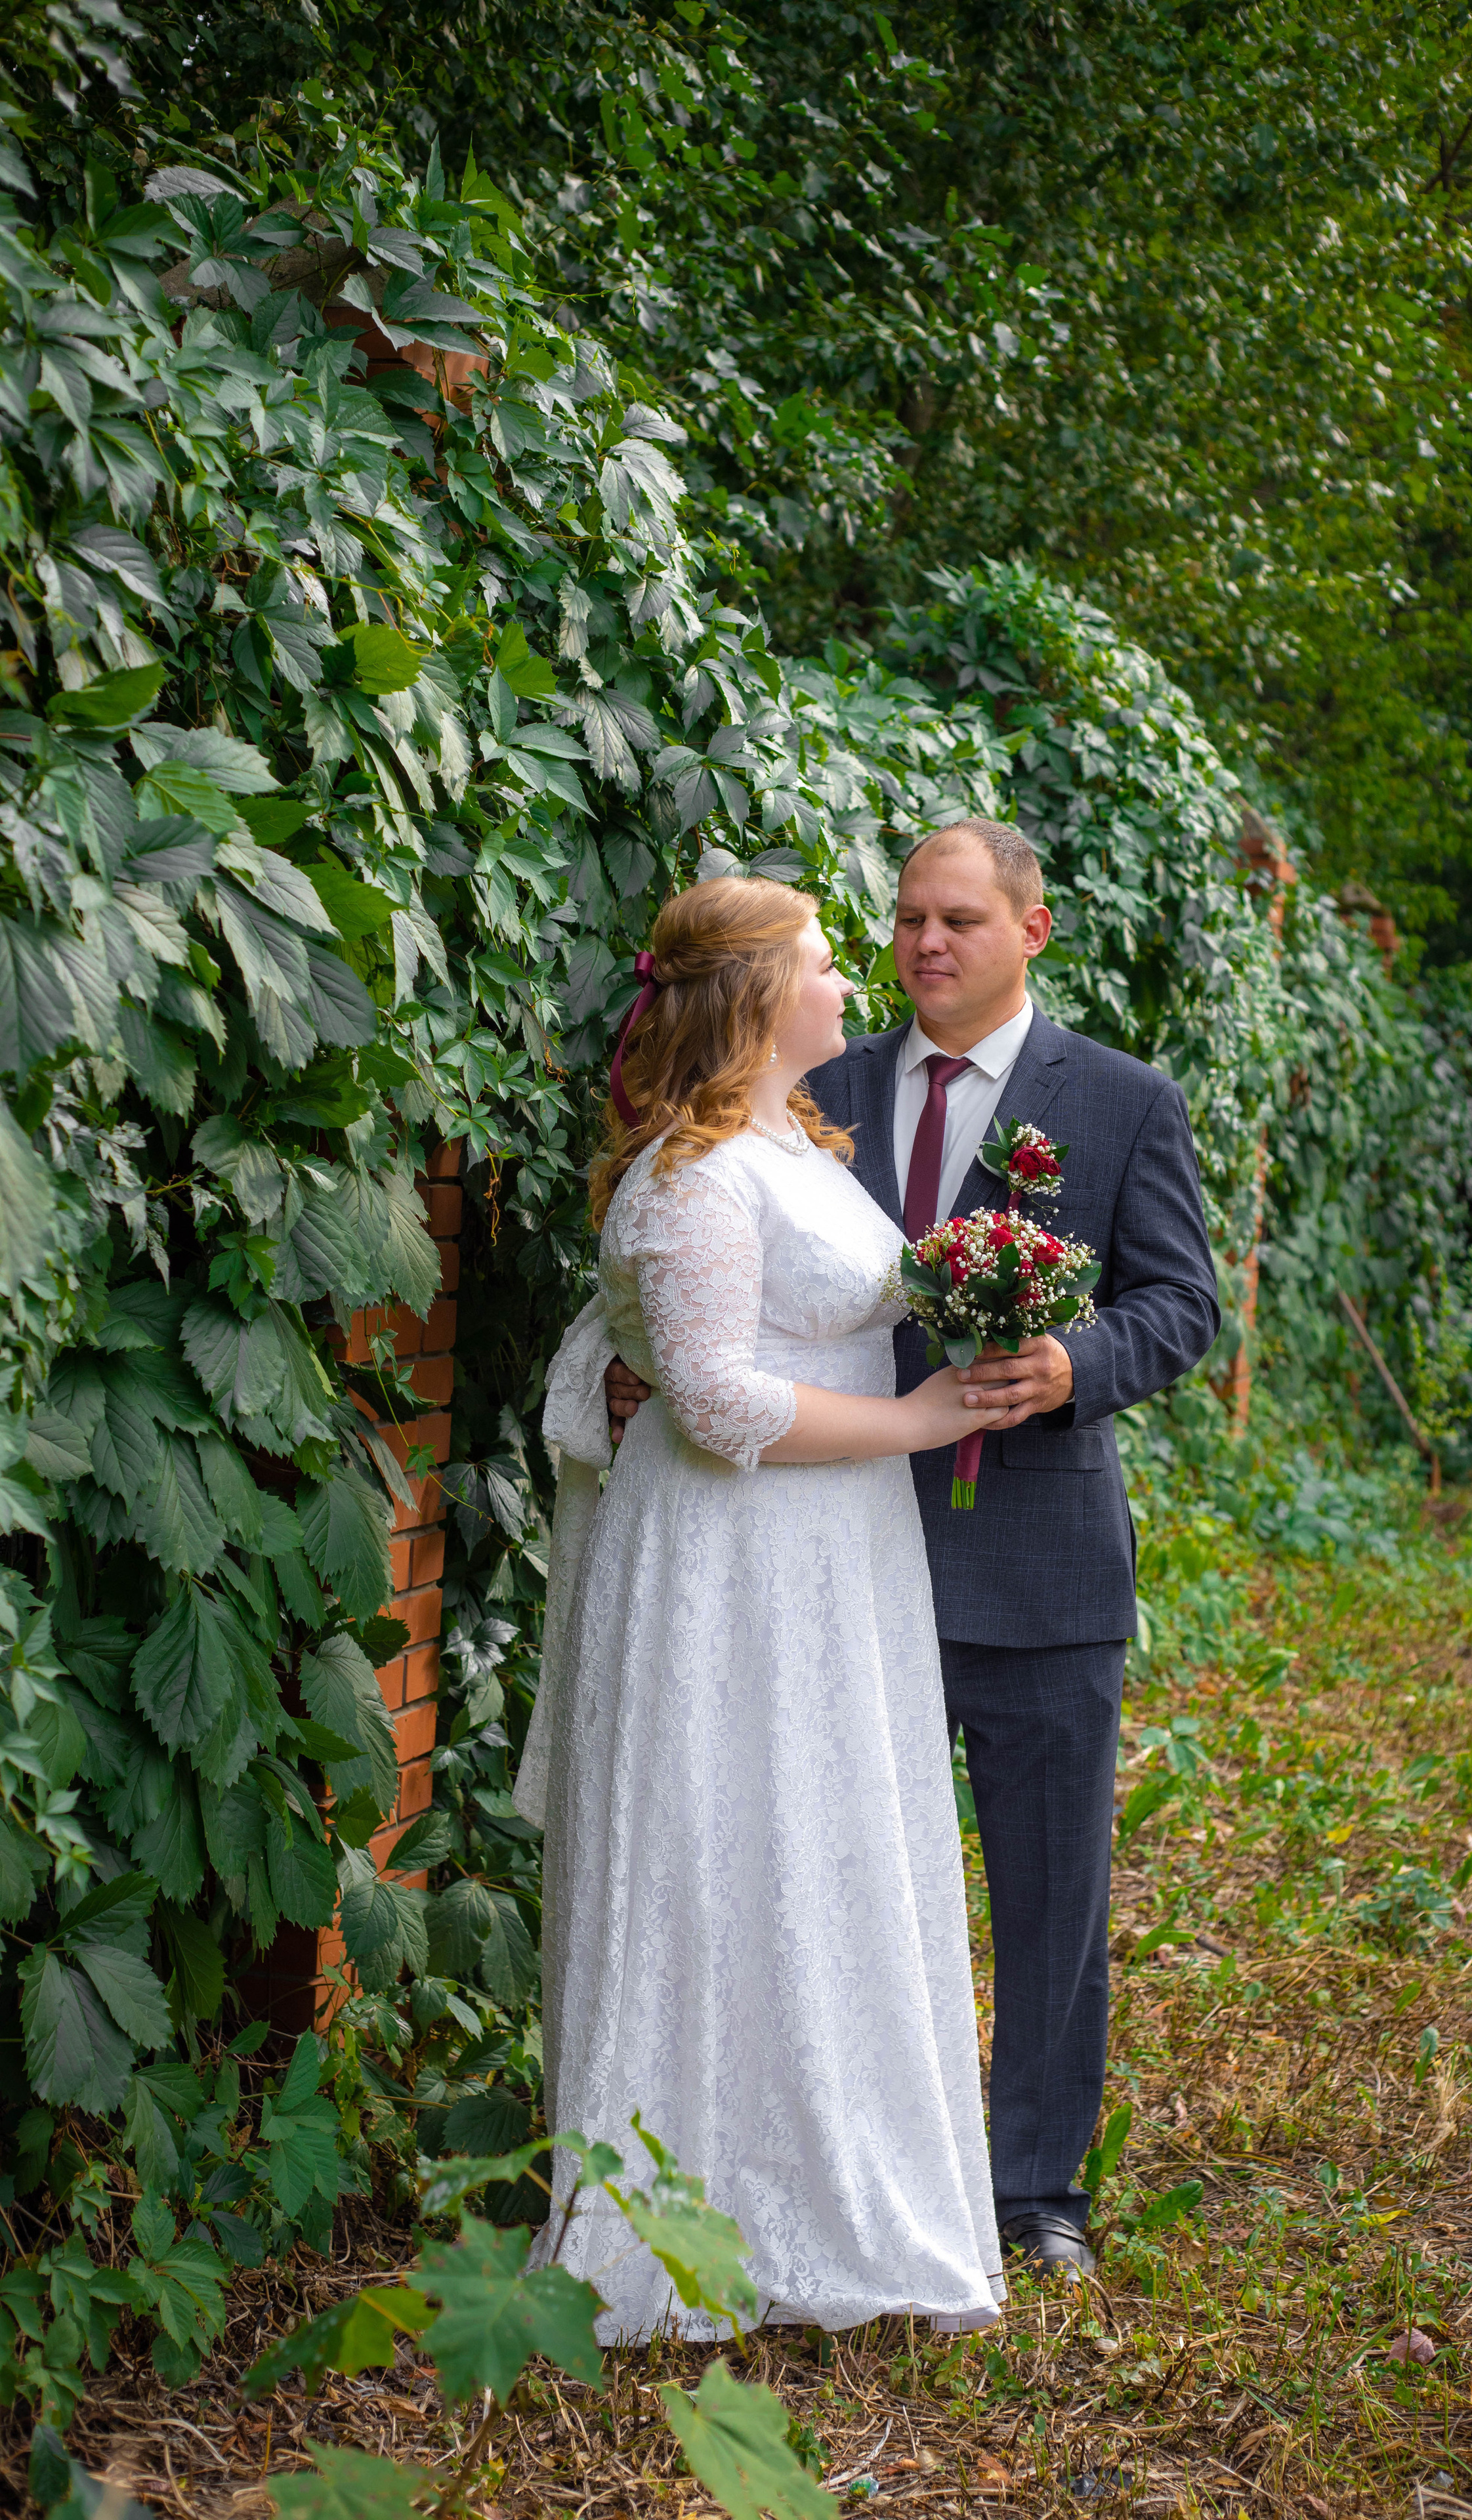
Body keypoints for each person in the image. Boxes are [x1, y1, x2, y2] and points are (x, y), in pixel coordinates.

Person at [608, 821, 1220, 2277]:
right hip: (814, 1564)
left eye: (956, 919)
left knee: (1048, 1891)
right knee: (835, 1874)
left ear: (1032, 930)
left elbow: (1182, 1304)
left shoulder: (1121, 1102)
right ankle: (860, 2164)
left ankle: (1030, 2192)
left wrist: (1074, 1363)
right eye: (902, 922)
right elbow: (714, 1273)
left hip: (1038, 1556)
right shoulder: (814, 1081)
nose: (923, 945)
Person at [514, 873, 1033, 2342]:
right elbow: (717, 1398)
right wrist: (927, 1423)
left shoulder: (790, 1148)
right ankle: (685, 2213)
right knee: (724, 1847)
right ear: (750, 994)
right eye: (820, 962)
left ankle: (826, 2170)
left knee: (821, 1845)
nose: (849, 985)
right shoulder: (690, 1177)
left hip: (831, 1561)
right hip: (726, 1570)